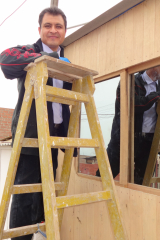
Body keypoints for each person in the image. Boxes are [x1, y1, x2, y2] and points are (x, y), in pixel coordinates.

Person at [0, 7, 76, 240]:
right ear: (40, 29)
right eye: (48, 26)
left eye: (58, 26)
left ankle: (38, 234)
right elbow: (5, 60)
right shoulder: (29, 52)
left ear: (64, 30)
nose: (53, 30)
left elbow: (62, 105)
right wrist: (47, 59)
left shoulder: (66, 61)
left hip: (53, 139)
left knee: (43, 196)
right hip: (31, 138)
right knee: (24, 199)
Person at [96, 66, 160, 185]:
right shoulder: (130, 81)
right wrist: (155, 96)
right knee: (104, 176)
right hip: (124, 139)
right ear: (155, 66)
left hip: (148, 141)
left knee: (142, 182)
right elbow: (131, 104)